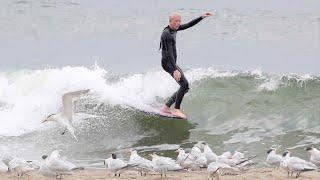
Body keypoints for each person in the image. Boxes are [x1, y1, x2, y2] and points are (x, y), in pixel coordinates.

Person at [159, 11, 212, 119]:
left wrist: (201, 17)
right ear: (170, 21)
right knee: (184, 85)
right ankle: (176, 109)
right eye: (176, 21)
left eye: (179, 21)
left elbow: (188, 25)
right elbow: (169, 53)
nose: (178, 23)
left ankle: (166, 107)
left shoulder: (174, 29)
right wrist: (175, 70)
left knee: (185, 87)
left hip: (172, 63)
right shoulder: (167, 34)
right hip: (168, 64)